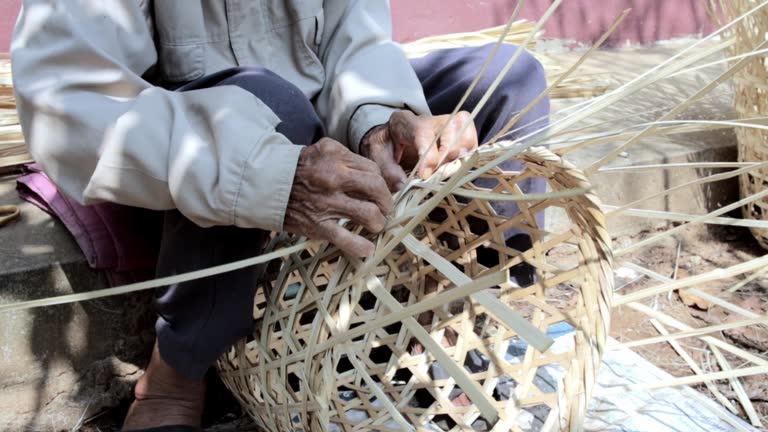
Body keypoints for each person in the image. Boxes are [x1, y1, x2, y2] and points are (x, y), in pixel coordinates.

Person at [11, 1, 549, 430]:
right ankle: (176, 371)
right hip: (191, 157)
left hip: (322, 119)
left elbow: (355, 43)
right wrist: (268, 170)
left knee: (508, 78)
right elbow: (69, 100)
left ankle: (464, 316)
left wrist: (381, 119)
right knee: (267, 100)